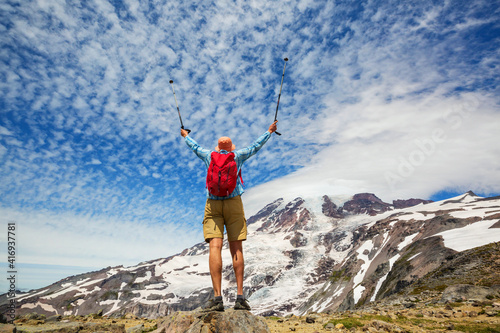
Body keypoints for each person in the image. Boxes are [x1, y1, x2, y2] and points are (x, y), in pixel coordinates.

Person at [181, 120, 278, 312]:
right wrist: (269, 131)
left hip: (213, 204)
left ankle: (217, 298)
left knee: (214, 248)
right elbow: (255, 146)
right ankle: (240, 298)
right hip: (233, 203)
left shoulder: (209, 155)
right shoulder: (237, 156)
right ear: (230, 147)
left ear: (217, 147)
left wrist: (185, 135)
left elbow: (195, 147)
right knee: (236, 248)